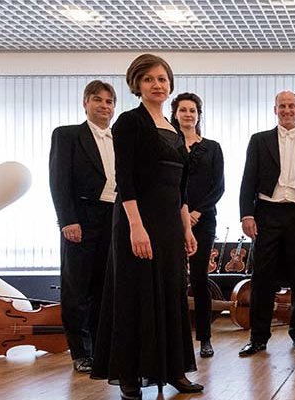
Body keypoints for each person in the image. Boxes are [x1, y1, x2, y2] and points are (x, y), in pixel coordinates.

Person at [91, 54, 203, 399]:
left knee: (170, 295)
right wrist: (136, 228)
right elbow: (124, 178)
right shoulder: (129, 122)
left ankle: (173, 371)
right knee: (136, 296)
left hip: (170, 224)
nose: (158, 85)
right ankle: (130, 376)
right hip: (137, 220)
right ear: (137, 84)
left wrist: (187, 229)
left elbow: (181, 188)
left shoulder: (173, 128)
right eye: (150, 79)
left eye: (163, 79)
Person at [238, 90, 295, 356]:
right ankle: (258, 337)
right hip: (267, 213)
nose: (287, 110)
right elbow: (247, 180)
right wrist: (247, 214)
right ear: (275, 110)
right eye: (282, 106)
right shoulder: (258, 141)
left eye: (291, 106)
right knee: (263, 277)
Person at [48, 80, 117, 374]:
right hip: (82, 216)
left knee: (105, 288)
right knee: (77, 288)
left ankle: (101, 350)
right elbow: (58, 180)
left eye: (109, 101)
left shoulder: (120, 138)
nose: (104, 106)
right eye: (97, 100)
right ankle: (80, 352)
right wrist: (68, 220)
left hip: (114, 217)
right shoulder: (67, 135)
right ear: (85, 103)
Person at [170, 92, 225, 358]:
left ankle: (204, 338)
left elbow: (218, 187)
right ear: (176, 113)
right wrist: (182, 214)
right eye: (183, 110)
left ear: (199, 115)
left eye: (193, 110)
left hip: (203, 221)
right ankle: (177, 339)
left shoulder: (212, 148)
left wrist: (195, 214)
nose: (188, 114)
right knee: (176, 280)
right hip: (171, 219)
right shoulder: (168, 144)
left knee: (200, 279)